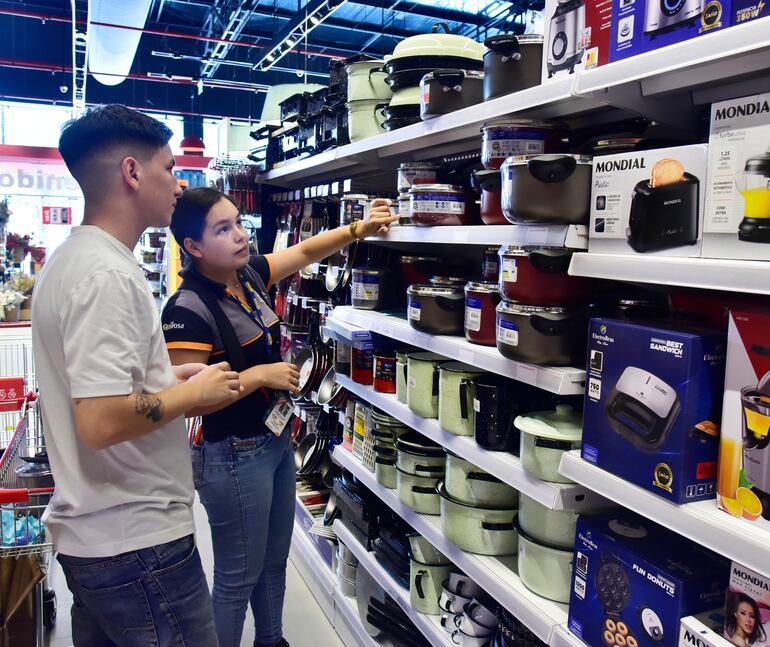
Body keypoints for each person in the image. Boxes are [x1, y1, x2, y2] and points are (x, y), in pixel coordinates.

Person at [32, 105, 243, 646]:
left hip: (97, 539)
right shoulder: (108, 275)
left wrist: (166, 379)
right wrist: (191, 395)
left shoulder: (72, 259)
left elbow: (97, 387)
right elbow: (100, 420)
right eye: (169, 169)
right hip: (138, 543)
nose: (177, 184)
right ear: (132, 172)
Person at [162, 187, 396, 647]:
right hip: (231, 455)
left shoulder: (246, 275)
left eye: (238, 223)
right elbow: (187, 401)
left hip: (272, 443)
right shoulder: (188, 309)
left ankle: (272, 642)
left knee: (272, 562)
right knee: (236, 577)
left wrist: (358, 229)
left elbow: (307, 249)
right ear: (192, 247)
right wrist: (257, 375)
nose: (239, 236)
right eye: (222, 229)